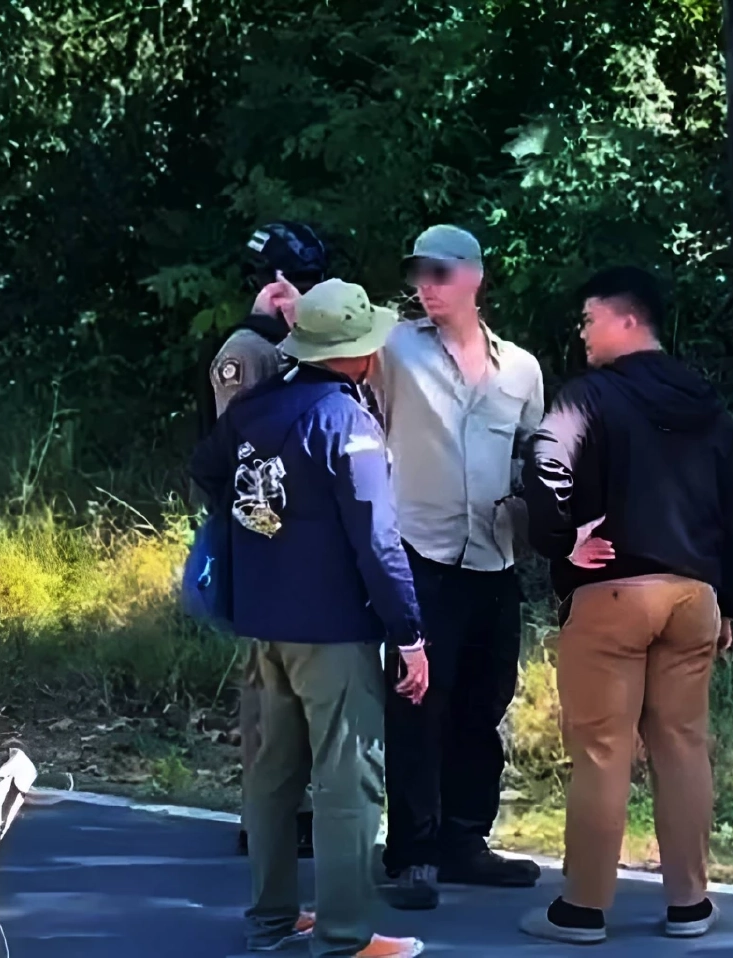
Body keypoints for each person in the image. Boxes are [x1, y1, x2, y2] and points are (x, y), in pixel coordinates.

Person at [191, 279, 429, 958]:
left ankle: (270, 921)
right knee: (347, 779)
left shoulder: (256, 407)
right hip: (333, 629)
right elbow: (377, 541)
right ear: (357, 353)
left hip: (262, 621)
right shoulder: (346, 422)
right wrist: (409, 633)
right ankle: (346, 936)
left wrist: (261, 536)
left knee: (272, 777)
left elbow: (207, 469)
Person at [517, 266, 733, 944]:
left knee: (602, 749)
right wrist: (729, 601)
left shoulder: (590, 395)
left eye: (590, 320)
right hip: (695, 597)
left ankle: (583, 909)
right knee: (683, 746)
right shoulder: (705, 402)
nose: (583, 334)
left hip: (614, 592)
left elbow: (545, 463)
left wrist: (561, 542)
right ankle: (690, 904)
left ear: (627, 320)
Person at [371, 225, 545, 909]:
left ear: (475, 276)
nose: (427, 287)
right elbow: (332, 342)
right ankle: (413, 850)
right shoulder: (394, 347)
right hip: (421, 552)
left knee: (484, 702)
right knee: (417, 703)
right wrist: (285, 311)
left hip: (494, 558)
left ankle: (465, 839)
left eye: (440, 273)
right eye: (418, 274)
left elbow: (535, 455)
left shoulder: (521, 370)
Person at [208, 222, 328, 860]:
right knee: (265, 689)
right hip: (261, 534)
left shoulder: (292, 344)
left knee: (299, 687)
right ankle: (264, 815)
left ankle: (297, 806)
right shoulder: (248, 351)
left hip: (301, 538)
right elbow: (242, 447)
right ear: (276, 285)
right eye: (301, 282)